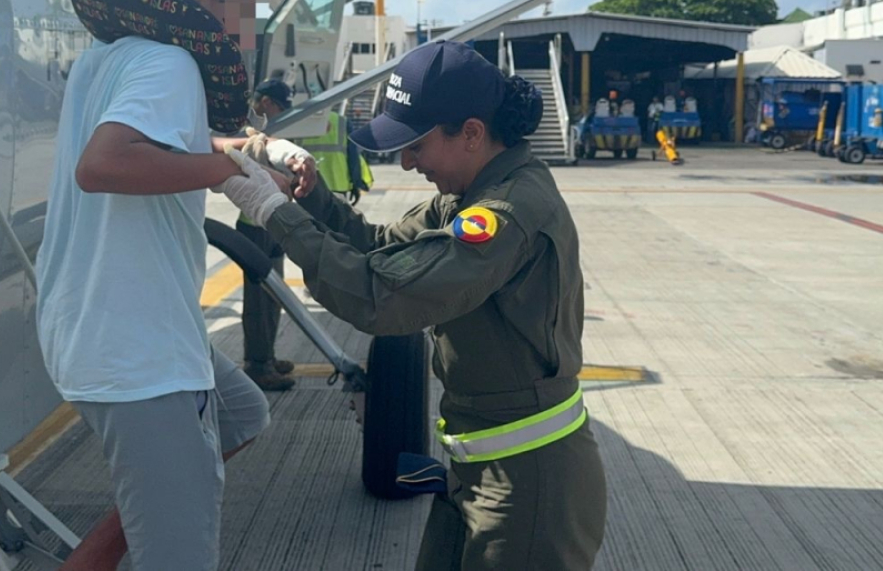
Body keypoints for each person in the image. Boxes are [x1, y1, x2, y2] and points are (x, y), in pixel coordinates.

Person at [221, 41, 607, 571]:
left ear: (471, 133)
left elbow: (384, 299)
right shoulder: (470, 190)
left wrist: (273, 214)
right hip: (481, 468)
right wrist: (309, 196)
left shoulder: (506, 212)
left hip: (527, 485)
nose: (405, 161)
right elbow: (380, 246)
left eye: (416, 145)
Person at [35, 0, 313, 571]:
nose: (245, 33)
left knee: (241, 413)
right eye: (241, 13)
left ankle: (97, 553)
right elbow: (104, 165)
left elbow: (166, 144)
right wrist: (226, 176)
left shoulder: (106, 58)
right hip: (138, 348)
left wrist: (248, 157)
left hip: (91, 321)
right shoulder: (172, 63)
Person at [238, 78, 298, 391]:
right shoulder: (249, 129)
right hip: (255, 222)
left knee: (274, 294)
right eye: (277, 105)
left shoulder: (267, 128)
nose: (280, 111)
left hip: (270, 219)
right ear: (265, 102)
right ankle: (258, 364)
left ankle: (267, 357)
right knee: (261, 299)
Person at [299, 106, 374, 205]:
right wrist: (356, 183)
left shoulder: (298, 122)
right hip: (338, 183)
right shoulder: (342, 122)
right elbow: (353, 157)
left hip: (308, 184)